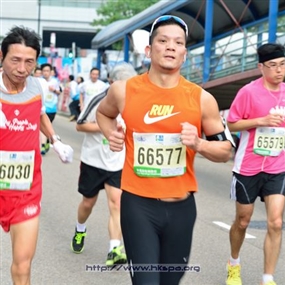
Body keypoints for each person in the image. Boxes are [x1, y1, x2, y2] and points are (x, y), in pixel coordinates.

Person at [96, 15, 233, 285]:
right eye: (163, 41)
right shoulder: (123, 91)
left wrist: (199, 143)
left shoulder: (202, 99)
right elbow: (103, 113)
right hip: (138, 204)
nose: (171, 46)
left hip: (182, 208)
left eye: (178, 42)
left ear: (184, 53)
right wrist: (111, 134)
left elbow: (225, 150)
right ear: (149, 50)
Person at [0, 26, 73, 285]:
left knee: (22, 264)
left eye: (29, 62)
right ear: (2, 57)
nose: (22, 68)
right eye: (15, 60)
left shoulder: (37, 86)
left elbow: (40, 113)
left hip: (25, 186)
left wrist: (55, 139)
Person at [226, 43, 285, 285]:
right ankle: (234, 263)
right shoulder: (248, 92)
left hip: (277, 166)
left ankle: (267, 278)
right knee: (243, 219)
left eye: (283, 65)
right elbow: (230, 124)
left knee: (276, 221)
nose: (279, 71)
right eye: (272, 66)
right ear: (261, 67)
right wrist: (261, 120)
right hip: (248, 166)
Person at [71, 63, 137, 266]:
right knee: (88, 203)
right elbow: (80, 125)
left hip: (116, 162)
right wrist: (106, 127)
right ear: (111, 83)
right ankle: (80, 229)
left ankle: (114, 249)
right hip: (93, 160)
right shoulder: (98, 99)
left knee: (116, 203)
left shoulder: (135, 101)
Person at [40, 63, 61, 155]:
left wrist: (54, 90)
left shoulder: (55, 81)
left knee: (48, 127)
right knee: (41, 128)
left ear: (51, 72)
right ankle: (43, 145)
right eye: (44, 71)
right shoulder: (38, 81)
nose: (45, 73)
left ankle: (48, 140)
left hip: (51, 108)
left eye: (47, 71)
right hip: (41, 108)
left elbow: (59, 92)